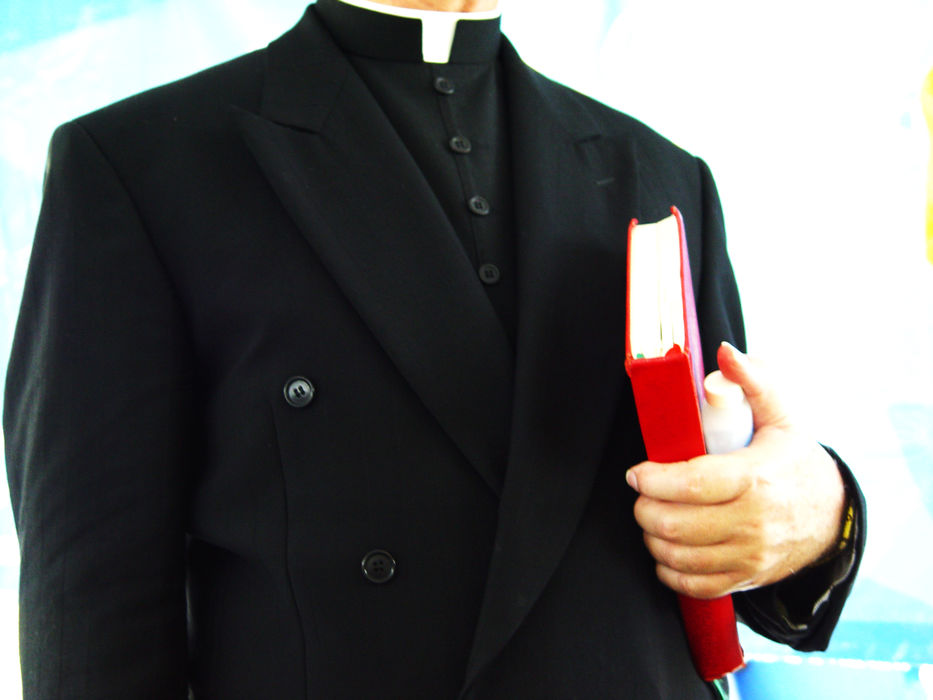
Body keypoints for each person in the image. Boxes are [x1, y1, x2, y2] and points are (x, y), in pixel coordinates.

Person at [3, 0, 865, 697]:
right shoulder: (140, 164)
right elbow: (92, 597)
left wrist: (819, 514)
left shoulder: (662, 172)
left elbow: (729, 496)